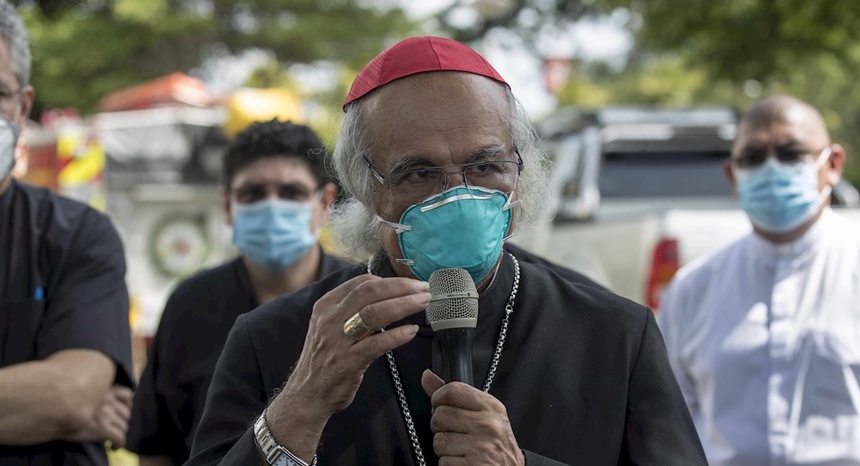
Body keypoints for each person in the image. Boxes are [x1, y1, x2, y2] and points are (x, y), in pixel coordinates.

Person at [186, 36, 706, 465]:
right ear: (367, 189)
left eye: (485, 166)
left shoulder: (614, 333)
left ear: (519, 173)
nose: (456, 194)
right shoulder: (275, 339)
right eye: (419, 173)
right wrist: (298, 407)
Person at [126, 119, 354, 465]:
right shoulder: (190, 305)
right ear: (228, 205)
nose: (272, 207)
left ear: (325, 201)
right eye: (253, 193)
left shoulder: (356, 299)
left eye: (291, 192)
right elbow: (157, 446)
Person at [657, 94, 860, 465]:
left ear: (832, 164)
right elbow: (669, 425)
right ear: (733, 176)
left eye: (791, 153)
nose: (772, 169)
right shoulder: (693, 290)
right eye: (753, 158)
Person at [0, 0, 135, 465]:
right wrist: (35, 404)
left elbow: (72, 394)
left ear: (22, 106)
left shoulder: (78, 233)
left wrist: (66, 403)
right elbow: (66, 402)